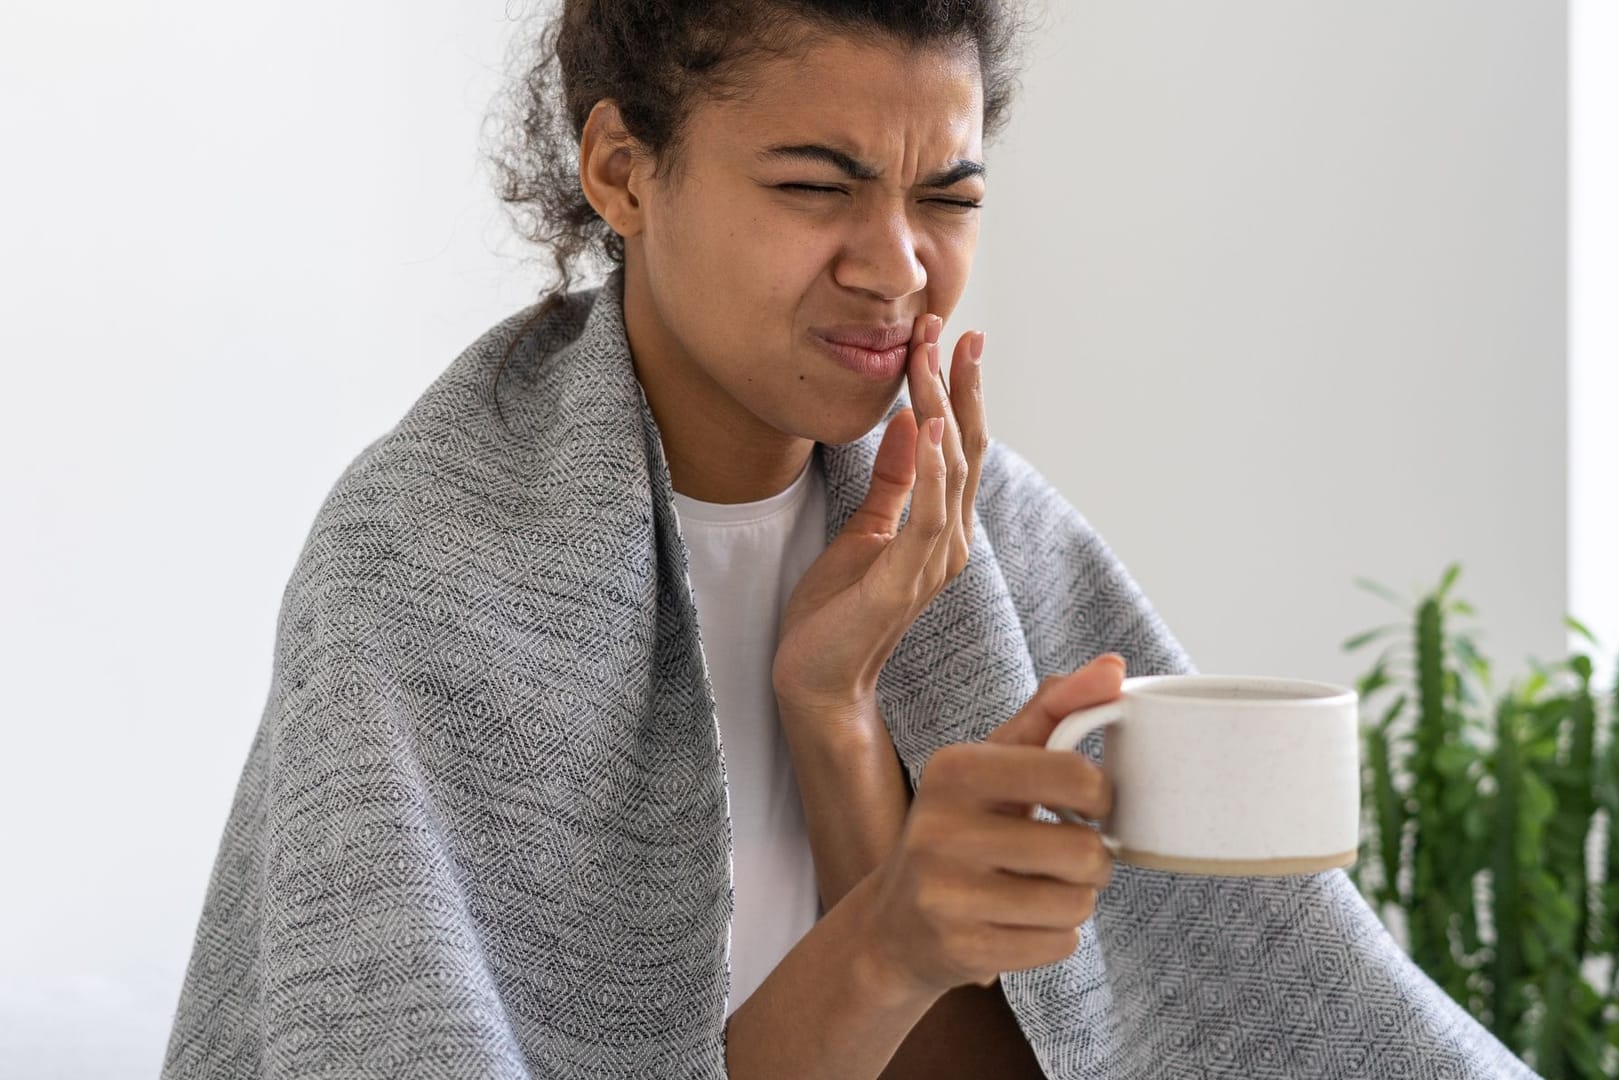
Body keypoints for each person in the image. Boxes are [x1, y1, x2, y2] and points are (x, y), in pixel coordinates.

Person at [164, 2, 1537, 1078]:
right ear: (622, 172)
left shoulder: (984, 534)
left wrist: (837, 714)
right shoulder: (421, 562)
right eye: (819, 185)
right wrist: (888, 936)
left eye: (947, 195)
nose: (897, 265)